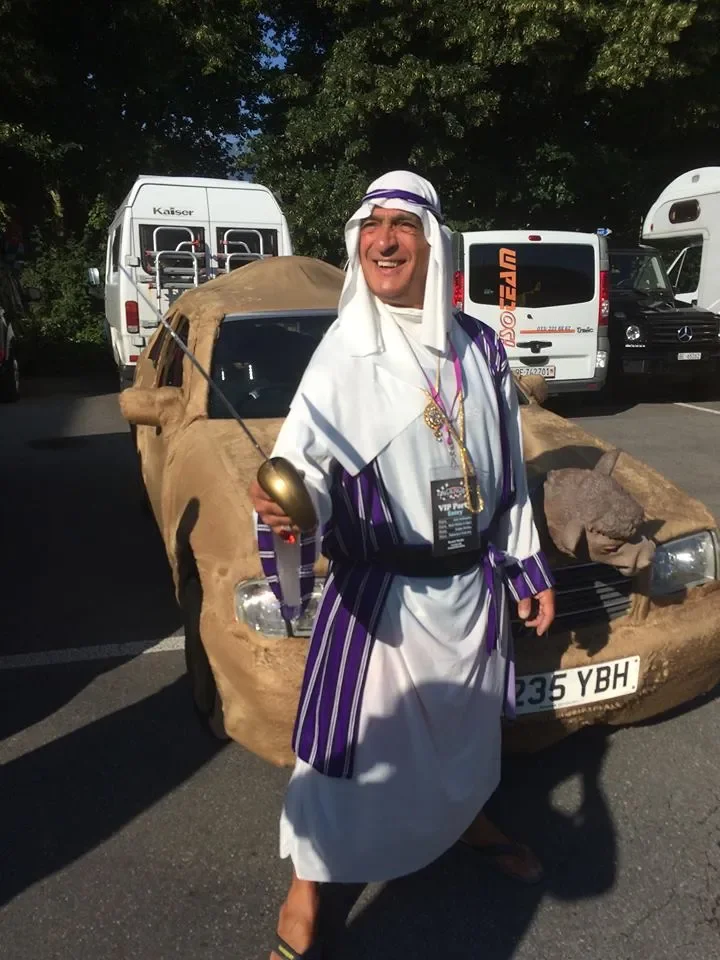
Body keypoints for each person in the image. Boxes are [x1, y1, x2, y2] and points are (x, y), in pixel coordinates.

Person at [249, 171, 556, 960]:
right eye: (372, 225)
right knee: (343, 758)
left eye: (402, 225)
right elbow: (303, 465)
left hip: (469, 592)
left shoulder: (479, 345)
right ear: (358, 242)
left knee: (465, 737)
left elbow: (508, 473)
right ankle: (308, 892)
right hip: (382, 604)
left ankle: (468, 823)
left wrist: (525, 567)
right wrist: (289, 507)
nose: (384, 239)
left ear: (431, 242)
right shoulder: (345, 352)